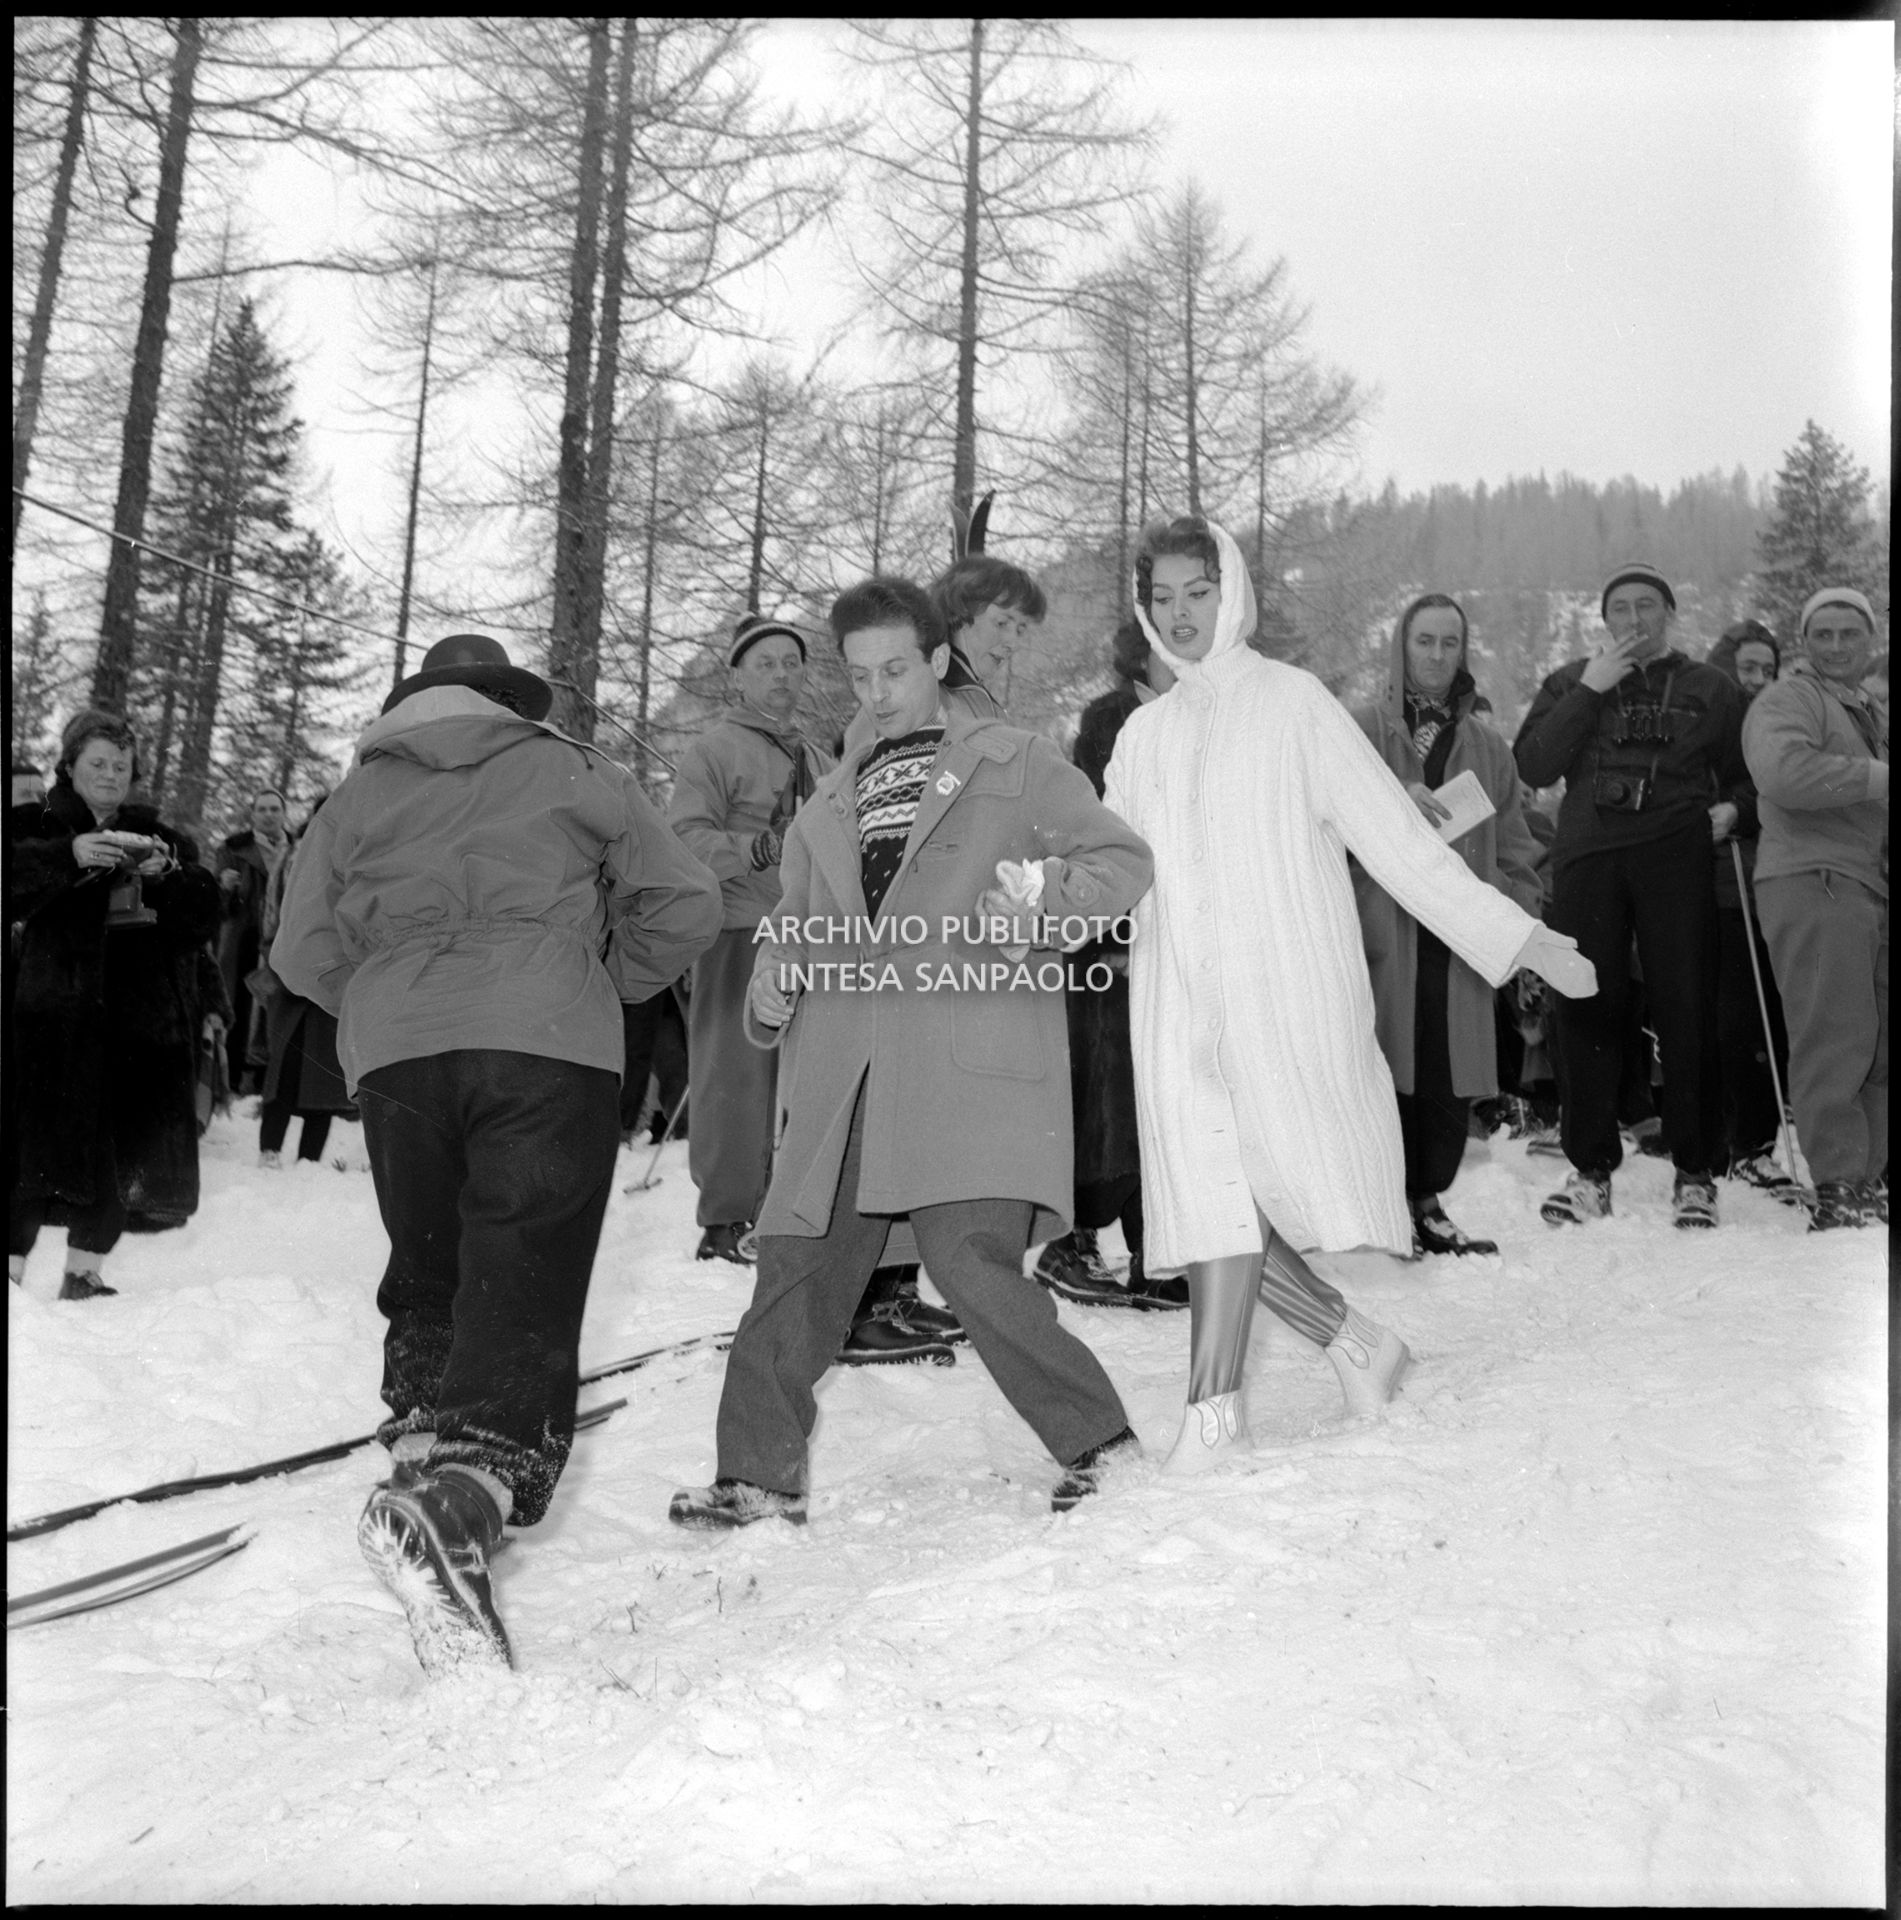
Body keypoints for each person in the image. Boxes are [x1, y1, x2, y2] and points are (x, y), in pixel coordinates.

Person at [1104, 518, 1595, 1473]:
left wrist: (1517, 934)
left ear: (1230, 589)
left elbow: (1397, 842)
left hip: (1278, 990)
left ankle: (1218, 1412)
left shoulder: (1294, 706)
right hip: (1173, 1000)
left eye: (1195, 593)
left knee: (1234, 1192)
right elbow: (1113, 866)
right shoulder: (1140, 735)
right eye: (1161, 599)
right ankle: (1348, 1353)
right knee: (1211, 1193)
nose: (1180, 614)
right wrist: (1038, 903)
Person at [274, 634, 721, 1674]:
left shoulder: (355, 796)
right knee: (521, 1266)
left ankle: (420, 1464)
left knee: (429, 1265)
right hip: (544, 1039)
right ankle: (464, 1504)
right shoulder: (566, 764)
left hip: (397, 1052)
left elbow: (300, 949)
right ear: (509, 697)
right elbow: (686, 901)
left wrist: (388, 1001)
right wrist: (598, 984)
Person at [669, 575, 1154, 1527]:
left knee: (971, 1263)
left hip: (964, 1059)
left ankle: (1102, 1445)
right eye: (858, 675)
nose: (878, 691)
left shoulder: (1013, 761)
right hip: (844, 1071)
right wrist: (774, 968)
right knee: (794, 1262)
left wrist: (1040, 900)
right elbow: (796, 921)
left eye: (895, 668)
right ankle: (758, 1477)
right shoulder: (829, 799)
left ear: (936, 661)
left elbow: (1120, 862)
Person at [837, 550, 1050, 1362]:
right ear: (954, 624)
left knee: (926, 1132)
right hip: (900, 963)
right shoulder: (917, 704)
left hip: (953, 963)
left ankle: (889, 1291)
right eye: (1002, 625)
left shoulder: (976, 704)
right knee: (891, 1123)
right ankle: (874, 1297)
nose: (1012, 644)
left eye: (1023, 631)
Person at [1513, 564, 1753, 1229]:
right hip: (1587, 857)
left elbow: (1746, 777)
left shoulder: (1712, 687)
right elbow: (1531, 765)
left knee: (1685, 1006)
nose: (1633, 618)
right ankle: (1590, 1170)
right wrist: (1589, 690)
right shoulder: (1569, 680)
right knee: (1585, 1005)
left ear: (1669, 615)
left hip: (1674, 858)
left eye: (1647, 606)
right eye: (1619, 608)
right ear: (1603, 621)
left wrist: (1732, 809)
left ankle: (1695, 1171)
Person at [1349, 593, 1544, 1255]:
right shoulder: (1360, 730)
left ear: (1464, 650)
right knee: (1378, 1062)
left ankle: (1426, 1201)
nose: (1435, 656)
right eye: (1423, 641)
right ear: (1400, 645)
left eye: (1448, 643)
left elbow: (1516, 844)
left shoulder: (1487, 745)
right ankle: (1375, 1203)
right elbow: (1318, 823)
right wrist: (1385, 804)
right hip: (1379, 933)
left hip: (1454, 938)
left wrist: (1514, 915)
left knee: (1441, 1071)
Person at [7, 710, 221, 1298]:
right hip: (50, 1016)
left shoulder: (162, 838)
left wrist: (170, 874)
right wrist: (70, 854)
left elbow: (201, 922)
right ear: (69, 765)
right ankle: (12, 1270)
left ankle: (84, 1270)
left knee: (118, 1152)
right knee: (32, 1148)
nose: (109, 774)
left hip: (137, 1025)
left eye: (121, 765)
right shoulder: (32, 823)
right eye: (97, 762)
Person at [666, 614, 831, 1264]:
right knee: (734, 1075)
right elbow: (682, 839)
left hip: (813, 938)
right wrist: (760, 845)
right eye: (765, 663)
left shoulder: (820, 758)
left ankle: (791, 1212)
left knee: (810, 1080)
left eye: (791, 662)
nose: (781, 674)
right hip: (739, 930)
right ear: (736, 676)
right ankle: (727, 1222)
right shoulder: (712, 751)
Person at [1036, 617, 1187, 1309]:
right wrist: (1113, 934)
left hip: (1169, 933)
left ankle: (1156, 1254)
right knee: (1107, 1100)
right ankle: (1074, 1243)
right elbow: (1101, 834)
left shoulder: (1187, 714)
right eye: (1163, 646)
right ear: (1139, 653)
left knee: (1156, 1097)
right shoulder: (1112, 720)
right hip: (1113, 938)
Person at [1742, 588, 1889, 1230]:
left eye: (1848, 633)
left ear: (1870, 641)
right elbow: (1782, 773)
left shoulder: (1867, 712)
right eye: (1822, 633)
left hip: (1865, 885)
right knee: (1835, 1034)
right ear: (1804, 642)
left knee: (1875, 1041)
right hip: (1813, 879)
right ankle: (1837, 1185)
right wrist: (1879, 778)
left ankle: (1869, 1179)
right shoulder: (1788, 699)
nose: (1835, 645)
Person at [1704, 620, 1795, 1194]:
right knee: (1736, 1018)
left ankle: (1756, 1137)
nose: (1759, 681)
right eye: (1747, 670)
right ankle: (1742, 1142)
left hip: (1777, 885)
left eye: (1768, 670)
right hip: (1723, 886)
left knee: (1772, 1020)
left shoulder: (1780, 726)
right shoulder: (1711, 728)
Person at [251, 795, 355, 1169]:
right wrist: (278, 956)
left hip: (335, 979)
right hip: (292, 974)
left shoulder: (358, 852)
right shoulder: (295, 856)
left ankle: (309, 1162)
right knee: (285, 1069)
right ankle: (269, 1152)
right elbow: (273, 912)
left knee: (324, 1078)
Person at [216, 788, 290, 1096]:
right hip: (245, 937)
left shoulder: (298, 849)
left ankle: (272, 1079)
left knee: (280, 1005)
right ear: (253, 814)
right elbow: (215, 904)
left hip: (285, 939)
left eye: (275, 809)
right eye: (263, 809)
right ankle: (235, 1076)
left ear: (284, 813)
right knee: (241, 1002)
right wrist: (224, 887)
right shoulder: (233, 849)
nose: (269, 815)